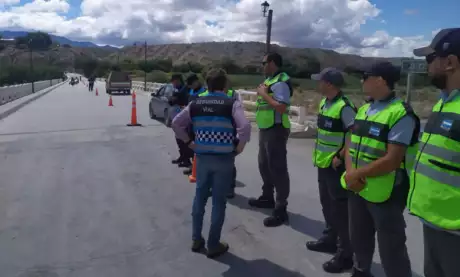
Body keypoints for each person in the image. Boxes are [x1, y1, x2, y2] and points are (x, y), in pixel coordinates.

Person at [341, 61, 420, 277]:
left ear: (380, 80)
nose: (361, 81)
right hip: (357, 186)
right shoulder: (365, 109)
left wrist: (357, 174)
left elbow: (393, 159)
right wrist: (350, 172)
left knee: (391, 247)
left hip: (387, 192)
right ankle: (360, 271)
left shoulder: (401, 113)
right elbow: (351, 143)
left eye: (365, 76)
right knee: (358, 236)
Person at [171, 68, 251, 258]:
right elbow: (245, 127)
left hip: (203, 157)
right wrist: (239, 148)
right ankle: (213, 244)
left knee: (200, 197)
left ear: (207, 85)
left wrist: (190, 142)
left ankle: (196, 239)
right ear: (225, 85)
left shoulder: (195, 103)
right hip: (224, 159)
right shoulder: (232, 104)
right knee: (218, 202)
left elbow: (176, 123)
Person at [407, 28, 460, 277]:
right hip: (434, 221)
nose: (427, 66)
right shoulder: (443, 103)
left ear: (450, 62)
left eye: (430, 59)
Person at [307, 68, 356, 273]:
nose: (317, 84)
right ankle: (329, 239)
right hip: (322, 163)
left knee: (340, 212)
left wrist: (340, 156)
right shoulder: (325, 103)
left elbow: (354, 136)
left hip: (335, 166)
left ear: (329, 84)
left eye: (320, 81)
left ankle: (345, 254)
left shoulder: (345, 107)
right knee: (327, 206)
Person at [248, 52, 292, 227]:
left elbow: (281, 107)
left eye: (264, 62)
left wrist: (264, 93)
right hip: (265, 128)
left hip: (276, 129)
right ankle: (267, 197)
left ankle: (281, 209)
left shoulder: (280, 82)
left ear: (272, 63)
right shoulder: (269, 81)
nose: (262, 65)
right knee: (263, 164)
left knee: (277, 168)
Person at [197, 84, 239, 198]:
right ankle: (215, 187)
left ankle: (229, 188)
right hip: (211, 132)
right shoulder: (203, 95)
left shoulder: (232, 94)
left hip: (225, 132)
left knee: (228, 163)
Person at [169, 74, 192, 168]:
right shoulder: (178, 90)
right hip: (177, 117)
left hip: (184, 118)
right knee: (178, 139)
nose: (173, 84)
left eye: (173, 81)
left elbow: (178, 99)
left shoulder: (184, 89)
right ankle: (182, 157)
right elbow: (172, 100)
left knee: (184, 139)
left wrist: (175, 98)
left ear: (178, 80)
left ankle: (187, 160)